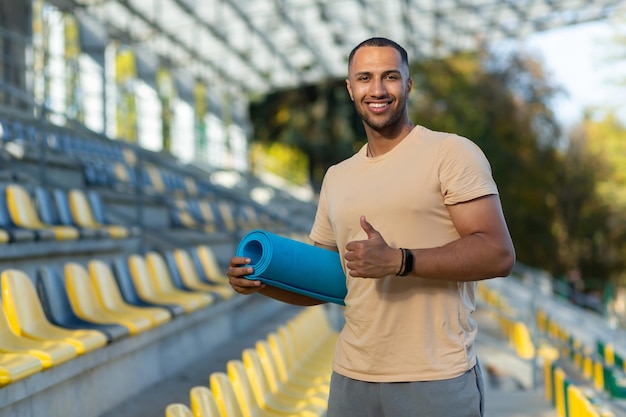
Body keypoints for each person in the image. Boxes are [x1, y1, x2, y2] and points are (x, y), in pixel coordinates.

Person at [227, 37, 515, 417]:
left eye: (390, 77)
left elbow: (498, 254)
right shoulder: (337, 177)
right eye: (364, 78)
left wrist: (399, 260)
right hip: (352, 379)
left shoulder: (451, 153)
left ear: (408, 84)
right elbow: (329, 283)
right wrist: (261, 282)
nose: (377, 90)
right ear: (350, 88)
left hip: (434, 378)